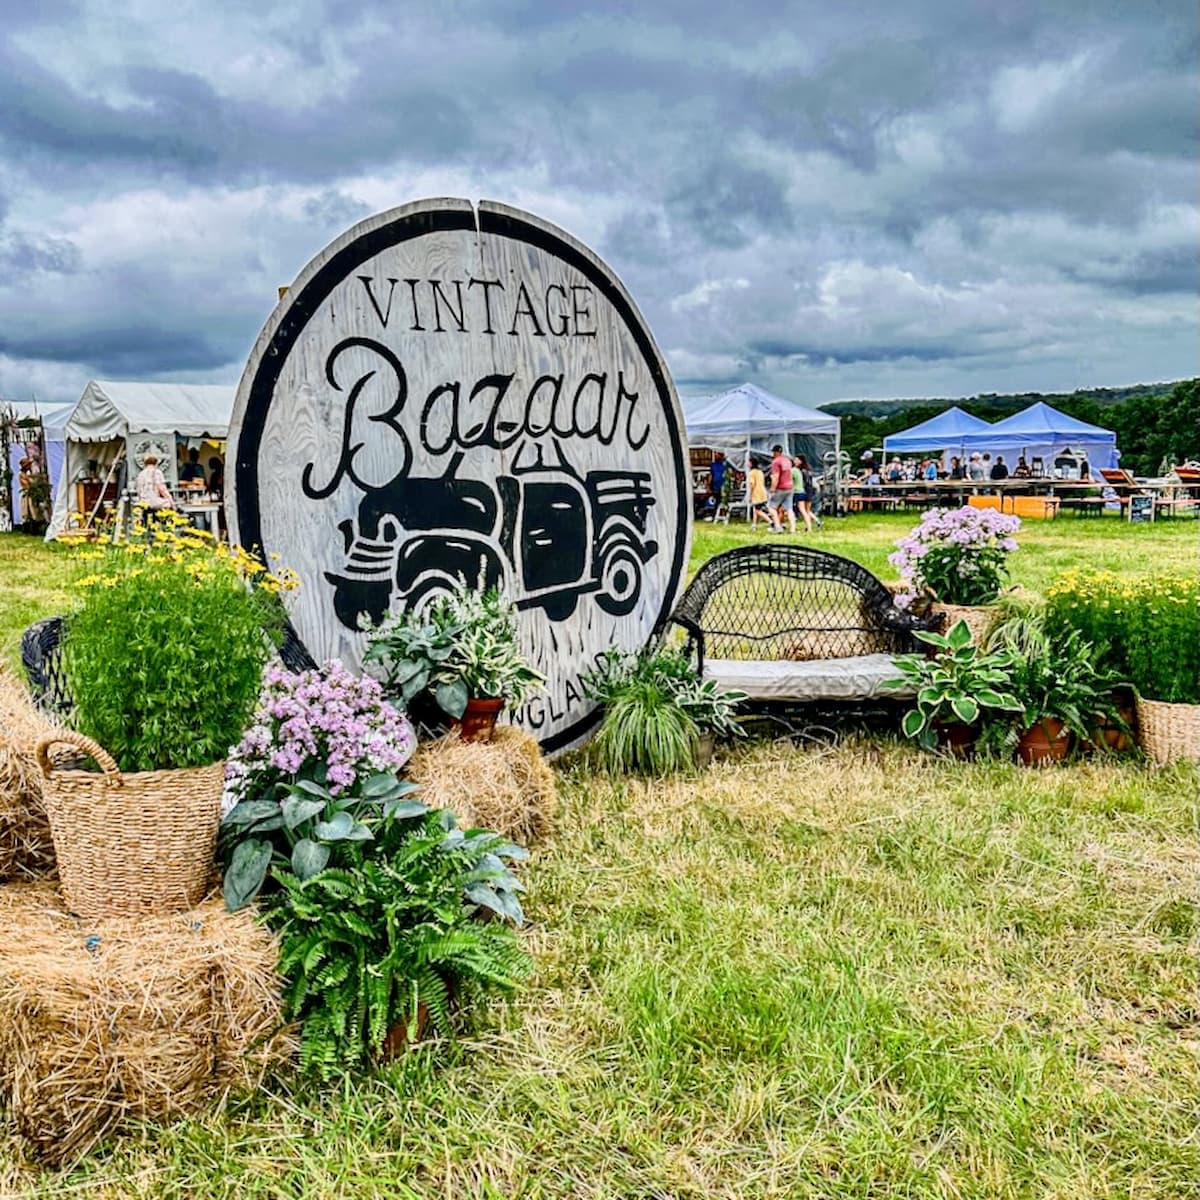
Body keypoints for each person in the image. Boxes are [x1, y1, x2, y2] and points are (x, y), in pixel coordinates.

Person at [768, 444, 794, 533]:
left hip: (781, 488)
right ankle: (792, 529)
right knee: (789, 509)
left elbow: (776, 477)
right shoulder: (787, 461)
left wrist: (772, 490)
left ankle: (777, 527)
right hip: (790, 487)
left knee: (772, 508)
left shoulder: (776, 462)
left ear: (775, 452)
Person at [792, 454, 817, 534]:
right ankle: (812, 524)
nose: (794, 461)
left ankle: (813, 524)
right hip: (807, 491)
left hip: (805, 491)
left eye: (796, 460)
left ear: (801, 461)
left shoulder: (801, 471)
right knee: (806, 510)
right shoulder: (807, 470)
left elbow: (805, 483)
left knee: (805, 510)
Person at [747, 461, 769, 529]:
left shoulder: (751, 473)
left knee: (757, 510)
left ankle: (771, 521)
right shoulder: (760, 472)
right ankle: (754, 524)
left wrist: (750, 494)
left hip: (756, 493)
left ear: (751, 464)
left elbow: (752, 484)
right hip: (763, 492)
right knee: (756, 509)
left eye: (749, 463)